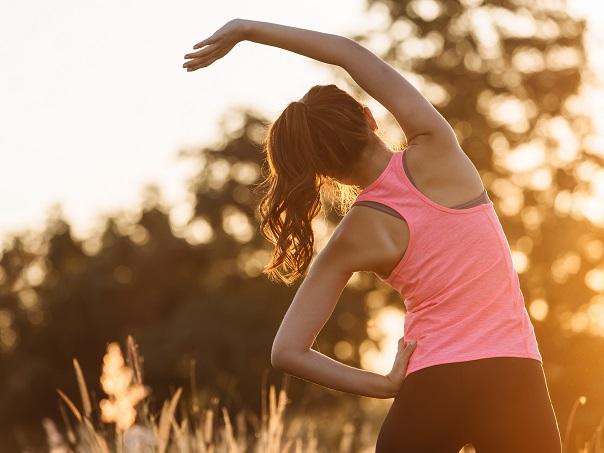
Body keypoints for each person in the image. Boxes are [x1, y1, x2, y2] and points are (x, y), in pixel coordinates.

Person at [183, 18, 562, 452]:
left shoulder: (351, 236)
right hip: (512, 375)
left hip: (431, 385)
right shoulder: (437, 147)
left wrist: (382, 385)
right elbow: (348, 54)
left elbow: (286, 351)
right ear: (369, 118)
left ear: (322, 172)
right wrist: (247, 30)